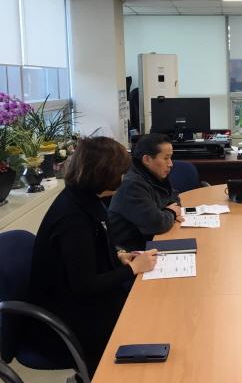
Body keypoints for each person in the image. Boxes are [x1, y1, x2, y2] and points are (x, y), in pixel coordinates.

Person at [27, 137, 158, 375]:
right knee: (145, 324)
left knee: (149, 313)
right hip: (65, 319)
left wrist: (119, 256)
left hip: (83, 300)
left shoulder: (84, 198)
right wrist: (132, 268)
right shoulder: (72, 219)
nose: (123, 178)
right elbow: (84, 286)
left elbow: (92, 251)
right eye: (120, 173)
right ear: (104, 174)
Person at [109, 133, 182, 251]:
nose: (170, 164)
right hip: (131, 250)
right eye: (166, 158)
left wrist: (165, 213)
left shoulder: (153, 173)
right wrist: (171, 212)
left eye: (170, 157)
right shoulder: (132, 184)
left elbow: (174, 197)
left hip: (149, 240)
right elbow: (156, 224)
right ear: (147, 159)